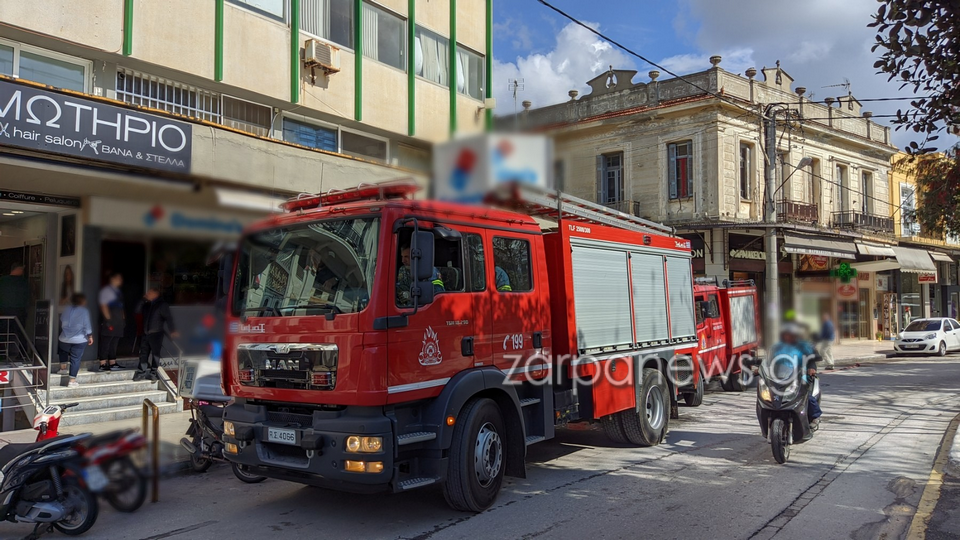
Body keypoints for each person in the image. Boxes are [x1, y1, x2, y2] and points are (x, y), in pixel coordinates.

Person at [770, 322, 822, 431]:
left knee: (807, 396)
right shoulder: (776, 347)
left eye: (791, 334)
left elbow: (812, 359)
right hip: (779, 377)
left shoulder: (804, 346)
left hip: (799, 377)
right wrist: (759, 368)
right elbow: (768, 361)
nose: (789, 336)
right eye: (786, 334)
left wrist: (811, 368)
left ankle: (815, 417)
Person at [134, 287, 179, 382]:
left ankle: (153, 373)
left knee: (155, 354)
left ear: (155, 294)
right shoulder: (147, 304)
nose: (147, 294)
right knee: (143, 353)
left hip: (156, 333)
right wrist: (143, 300)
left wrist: (172, 330)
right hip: (146, 332)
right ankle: (141, 372)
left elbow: (168, 318)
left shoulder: (162, 305)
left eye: (149, 293)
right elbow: (137, 310)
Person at [58, 293, 93, 388]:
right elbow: (87, 324)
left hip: (64, 337)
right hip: (79, 339)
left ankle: (63, 368)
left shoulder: (67, 309)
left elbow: (62, 319)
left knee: (62, 350)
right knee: (75, 359)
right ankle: (72, 381)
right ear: (82, 301)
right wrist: (90, 336)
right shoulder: (84, 311)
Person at [98, 273, 126, 371]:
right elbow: (104, 306)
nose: (120, 280)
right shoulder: (106, 291)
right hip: (110, 320)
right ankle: (102, 363)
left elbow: (121, 307)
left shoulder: (118, 292)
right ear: (112, 279)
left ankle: (112, 362)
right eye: (118, 278)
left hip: (118, 321)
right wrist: (108, 320)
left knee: (114, 342)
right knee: (107, 341)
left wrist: (123, 319)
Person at [0, 262, 28, 328]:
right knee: (18, 334)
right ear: (19, 269)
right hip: (19, 313)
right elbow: (27, 298)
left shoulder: (2, 280)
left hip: (3, 313)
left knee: (4, 334)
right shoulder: (23, 282)